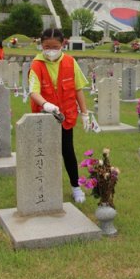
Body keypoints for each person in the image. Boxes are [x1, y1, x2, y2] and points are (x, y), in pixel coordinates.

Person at [28, 28, 90, 204]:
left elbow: (78, 89)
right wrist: (45, 104)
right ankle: (43, 188)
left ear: (63, 44)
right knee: (44, 153)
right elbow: (34, 91)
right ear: (41, 45)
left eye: (55, 46)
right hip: (44, 116)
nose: (51, 50)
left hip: (65, 117)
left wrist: (84, 113)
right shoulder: (37, 64)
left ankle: (76, 187)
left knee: (68, 152)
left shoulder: (70, 62)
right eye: (47, 46)